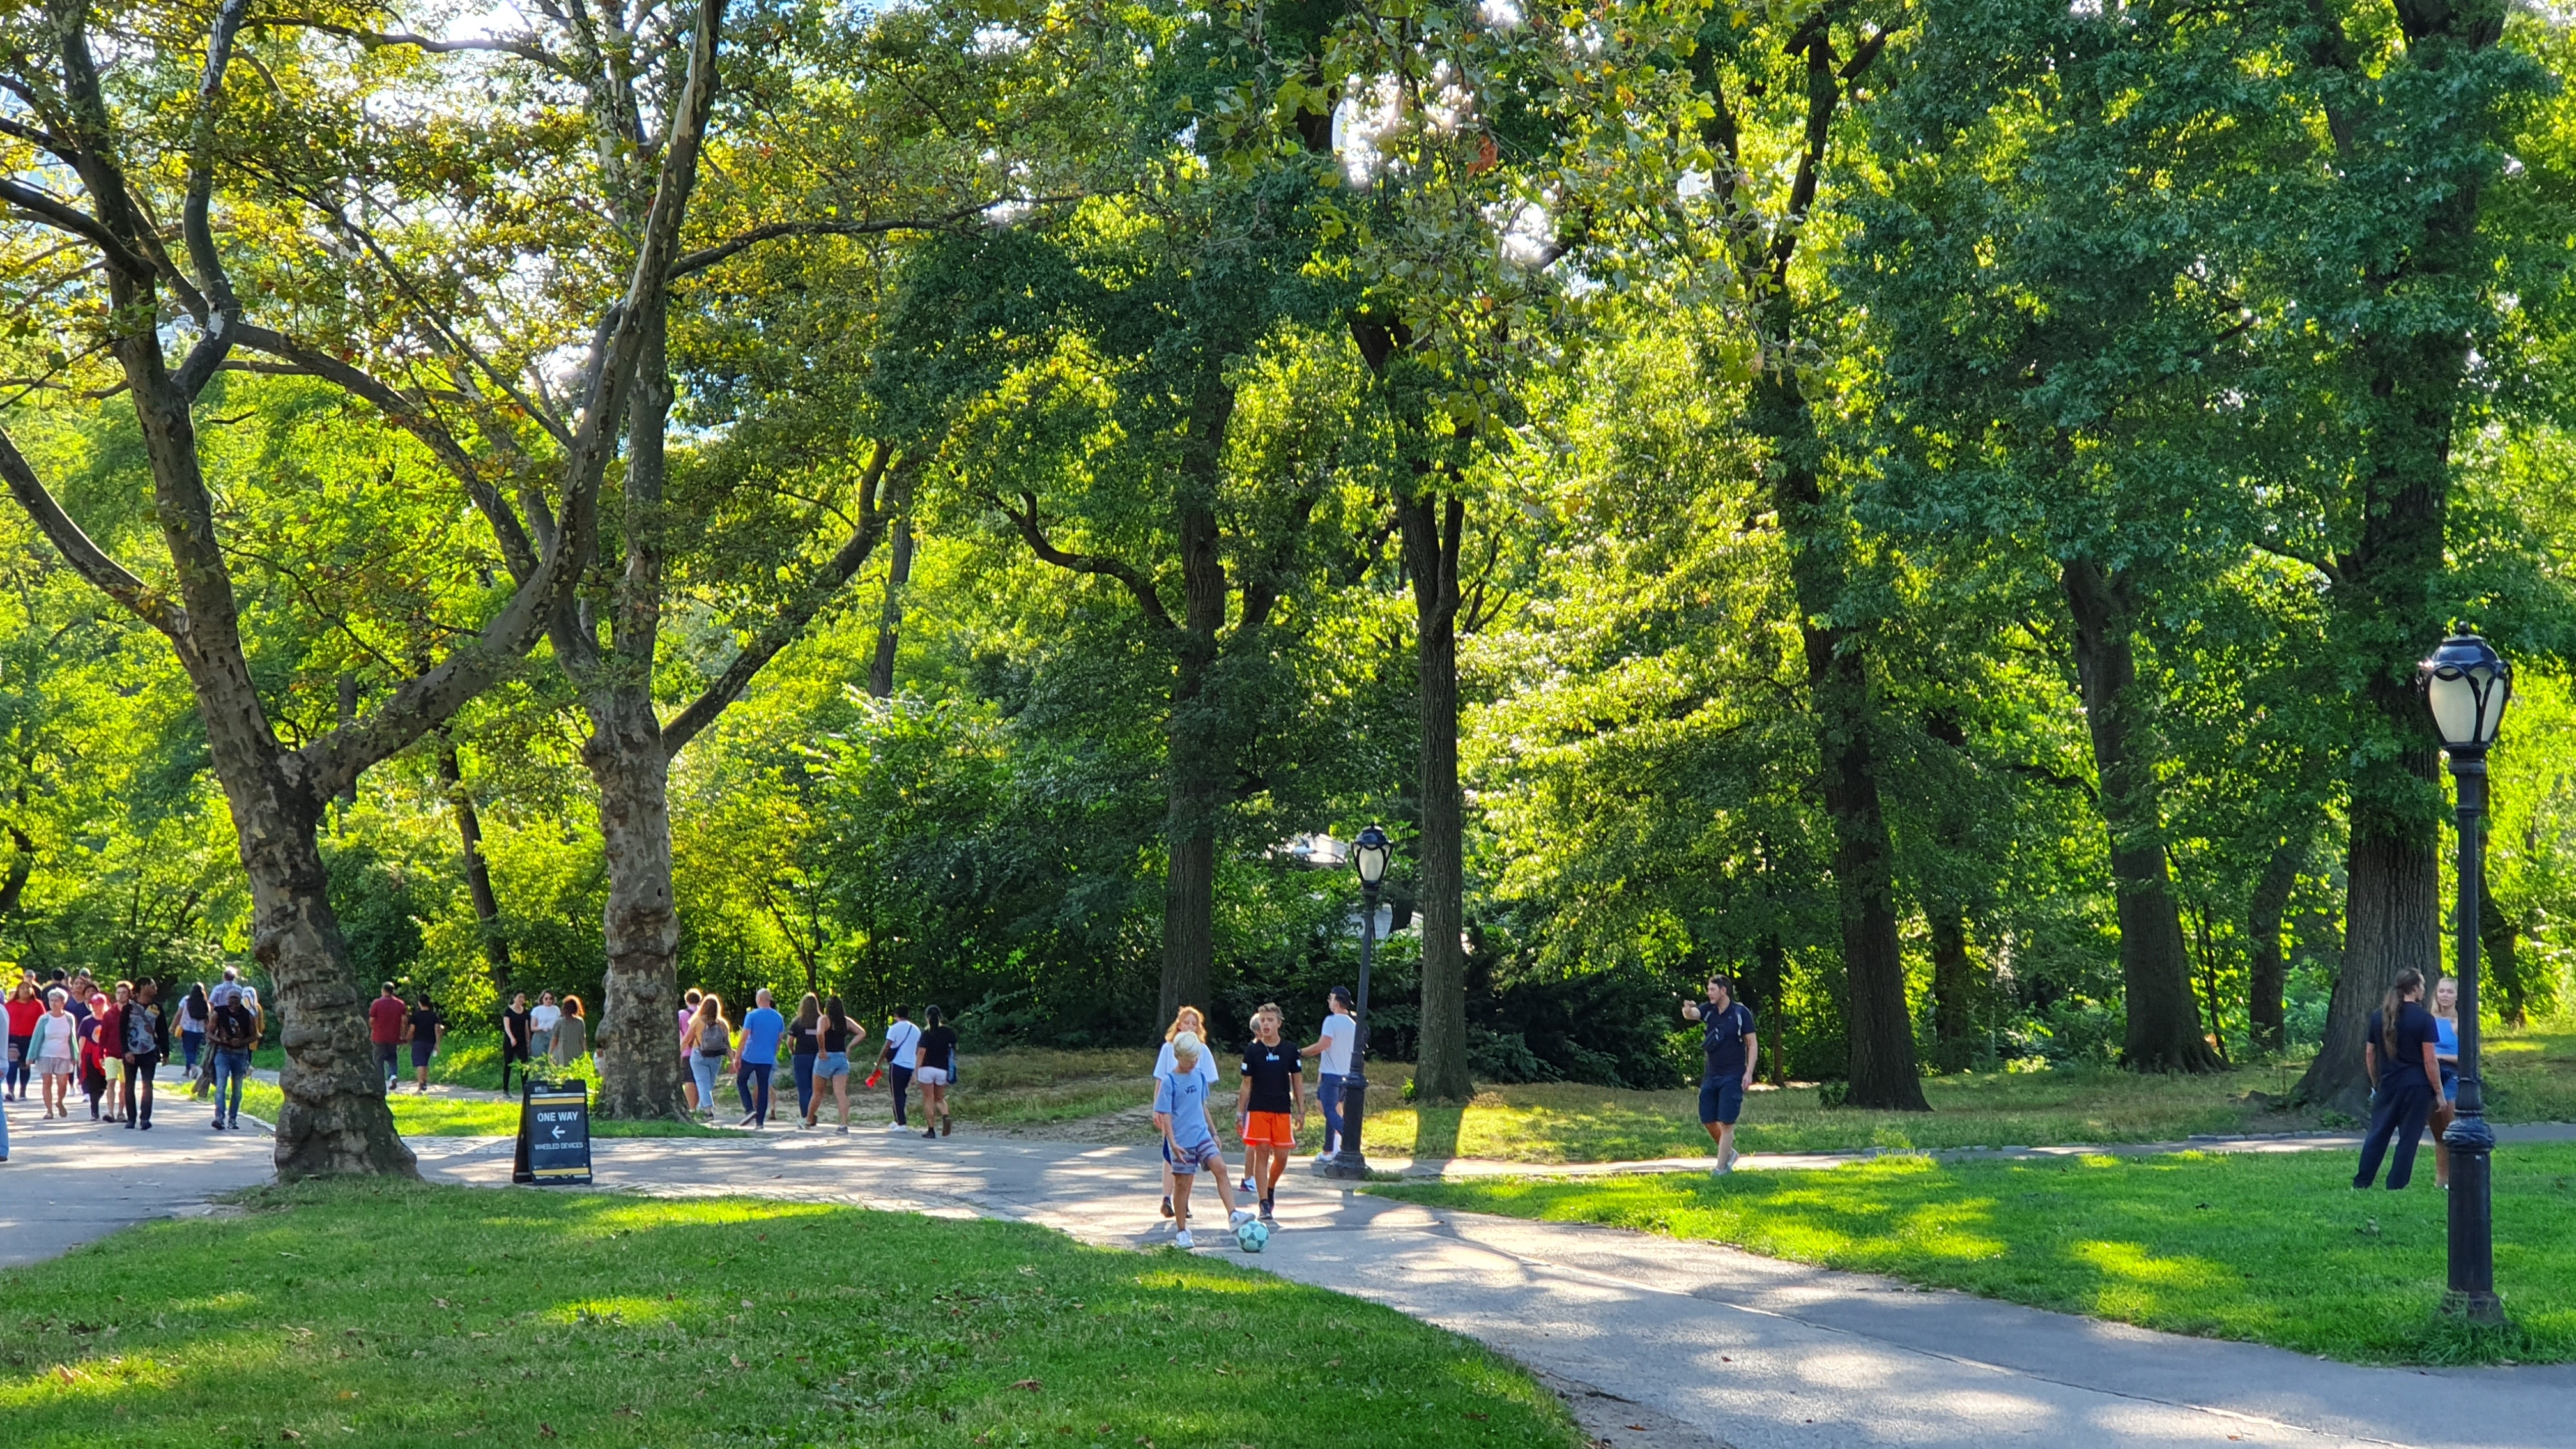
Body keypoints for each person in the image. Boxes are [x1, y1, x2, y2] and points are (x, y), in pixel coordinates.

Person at [1153, 1031, 1252, 1250]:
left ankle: (1233, 1214)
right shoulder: (1170, 1082)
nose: (1194, 1063)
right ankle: (1182, 1231)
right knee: (1183, 1184)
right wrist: (1172, 1142)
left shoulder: (1198, 1076)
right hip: (1182, 1142)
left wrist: (1214, 1132)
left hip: (1201, 1135)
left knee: (1221, 1168)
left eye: (1196, 1058)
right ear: (1179, 1057)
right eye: (1190, 1059)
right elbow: (1166, 1115)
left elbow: (1202, 1106)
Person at [2356, 967, 2442, 1190]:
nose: (2424, 990)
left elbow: (2370, 1053)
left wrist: (2376, 1081)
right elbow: (2430, 1060)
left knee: (2378, 1134)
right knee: (2409, 1137)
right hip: (2416, 1086)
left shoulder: (2379, 1017)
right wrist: (2439, 1092)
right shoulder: (2424, 1019)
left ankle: (2363, 1181)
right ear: (2414, 989)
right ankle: (2396, 1184)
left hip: (2388, 1083)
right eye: (2422, 985)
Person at [1682, 974, 1758, 1174]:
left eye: (1712, 990)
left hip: (1733, 1075)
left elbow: (1752, 1044)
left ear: (1724, 991)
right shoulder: (1709, 1010)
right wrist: (1687, 1009)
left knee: (1727, 1123)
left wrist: (1748, 1072)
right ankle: (1730, 1154)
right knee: (1708, 1119)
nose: (1709, 993)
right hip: (1712, 1075)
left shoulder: (1741, 1013)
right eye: (1708, 990)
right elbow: (1692, 1014)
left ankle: (1720, 1169)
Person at [1237, 1004, 1304, 1222]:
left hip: (1282, 1109)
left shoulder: (1290, 1050)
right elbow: (1246, 1084)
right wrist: (1240, 1113)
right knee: (1262, 1153)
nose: (1265, 1024)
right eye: (1263, 1020)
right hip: (1258, 1109)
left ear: (1279, 1024)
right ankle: (1264, 1202)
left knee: (1282, 1156)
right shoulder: (1253, 1050)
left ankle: (1271, 1185)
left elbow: (1298, 1081)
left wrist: (1302, 1110)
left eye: (1270, 1020)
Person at [1153, 1006, 1219, 1218]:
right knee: (1171, 1153)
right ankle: (1166, 1197)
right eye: (1187, 1022)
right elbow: (1161, 1080)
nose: (1190, 1026)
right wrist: (1157, 1108)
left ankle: (1183, 1201)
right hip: (1171, 1112)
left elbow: (1203, 1089)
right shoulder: (1168, 1049)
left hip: (1192, 1114)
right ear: (1179, 1025)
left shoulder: (1202, 1051)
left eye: (1195, 1023)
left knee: (1189, 1158)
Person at [1299, 987, 1357, 1161]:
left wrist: (1300, 1052)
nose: (1328, 1001)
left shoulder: (1331, 1021)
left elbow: (1323, 1045)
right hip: (1344, 1074)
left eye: (1330, 998)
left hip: (1331, 1074)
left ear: (1337, 1002)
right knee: (1329, 1106)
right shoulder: (1353, 1024)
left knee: (1328, 1109)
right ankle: (1330, 1149)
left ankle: (1348, 1140)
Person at [205, 979, 259, 1130]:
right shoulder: (219, 1013)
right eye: (232, 1000)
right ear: (227, 1000)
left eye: (237, 1000)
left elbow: (255, 1035)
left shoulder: (248, 1015)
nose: (234, 1003)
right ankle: (219, 1118)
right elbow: (209, 1033)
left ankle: (233, 1119)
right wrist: (221, 1040)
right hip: (223, 1052)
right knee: (221, 1085)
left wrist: (242, 1042)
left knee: (237, 1088)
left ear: (240, 1000)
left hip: (240, 1054)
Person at [732, 988, 786, 1128]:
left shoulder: (752, 1016)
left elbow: (744, 1038)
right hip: (767, 1058)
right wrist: (774, 1052)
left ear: (759, 1000)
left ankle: (749, 1109)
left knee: (741, 1081)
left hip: (750, 1056)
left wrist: (737, 1057)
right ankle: (760, 1122)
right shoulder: (778, 1017)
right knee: (763, 1088)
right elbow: (780, 1039)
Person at [809, 995, 865, 1132]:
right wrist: (850, 1047)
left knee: (817, 1093)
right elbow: (862, 1033)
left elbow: (819, 1034)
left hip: (826, 1057)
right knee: (841, 1093)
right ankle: (844, 1124)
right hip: (841, 1058)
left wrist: (822, 1050)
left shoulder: (824, 1019)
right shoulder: (846, 1021)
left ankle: (809, 1119)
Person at [121, 978, 168, 1130]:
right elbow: (121, 1031)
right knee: (129, 1086)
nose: (155, 988)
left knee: (147, 1085)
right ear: (142, 987)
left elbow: (162, 1031)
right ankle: (131, 1118)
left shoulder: (157, 1008)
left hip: (149, 1051)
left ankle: (145, 1118)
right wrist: (126, 1051)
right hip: (132, 1052)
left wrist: (165, 1052)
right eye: (152, 985)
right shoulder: (128, 1008)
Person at [2429, 976, 2461, 1189]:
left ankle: (2459, 1176)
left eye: (2450, 992)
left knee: (2452, 1130)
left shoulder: (2461, 1023)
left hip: (2451, 1076)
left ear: (2457, 995)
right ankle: (2441, 1180)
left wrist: (2440, 1057)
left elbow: (2467, 1057)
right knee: (2438, 1133)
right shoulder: (2429, 1021)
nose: (2445, 996)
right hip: (2431, 1077)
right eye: (2442, 991)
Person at [873, 1005, 921, 1131]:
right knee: (902, 1094)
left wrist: (877, 1064)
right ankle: (897, 1119)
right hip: (911, 1065)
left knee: (896, 1094)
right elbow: (918, 1050)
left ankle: (901, 1123)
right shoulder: (916, 1030)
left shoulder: (894, 1029)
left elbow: (886, 1047)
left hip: (898, 1065)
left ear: (896, 1015)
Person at [683, 994, 731, 1120]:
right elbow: (727, 1044)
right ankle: (701, 1109)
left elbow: (687, 1039)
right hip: (716, 1057)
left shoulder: (698, 1021)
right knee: (708, 1084)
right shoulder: (722, 1023)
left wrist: (679, 1054)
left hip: (699, 1055)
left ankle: (708, 1111)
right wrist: (733, 1060)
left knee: (702, 1082)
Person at [914, 1005, 957, 1138]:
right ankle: (945, 1116)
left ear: (927, 1018)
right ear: (941, 1016)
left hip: (926, 1069)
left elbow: (921, 1053)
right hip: (943, 1069)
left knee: (928, 1099)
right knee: (939, 1098)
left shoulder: (926, 1034)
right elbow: (955, 1048)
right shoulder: (949, 1032)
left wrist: (915, 1072)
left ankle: (931, 1130)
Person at [33, 988, 77, 1119]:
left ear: (63, 1002)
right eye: (51, 1000)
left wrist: (75, 1055)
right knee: (47, 1083)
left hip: (64, 1055)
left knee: (62, 1082)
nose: (54, 1003)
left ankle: (60, 1102)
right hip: (45, 1054)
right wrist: (31, 1056)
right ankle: (49, 1111)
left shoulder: (69, 1018)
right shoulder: (44, 1019)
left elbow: (72, 1038)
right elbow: (37, 1038)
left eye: (57, 1001)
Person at [788, 992, 822, 1128]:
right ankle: (812, 1115)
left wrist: (793, 1052)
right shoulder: (822, 1020)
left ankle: (805, 1116)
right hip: (818, 1057)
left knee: (804, 1089)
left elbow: (790, 1041)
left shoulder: (798, 1022)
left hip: (801, 1056)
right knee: (816, 1089)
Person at [6, 978, 43, 1102]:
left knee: (25, 1065)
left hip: (30, 1039)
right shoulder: (10, 1005)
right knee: (12, 1063)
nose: (26, 990)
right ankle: (10, 1091)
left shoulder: (38, 1005)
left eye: (28, 987)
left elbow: (43, 1022)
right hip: (13, 1038)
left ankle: (23, 1091)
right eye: (22, 988)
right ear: (18, 990)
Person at [368, 982, 406, 1089]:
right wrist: (403, 1035)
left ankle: (380, 1083)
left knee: (378, 1060)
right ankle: (393, 1075)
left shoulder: (377, 1003)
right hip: (393, 1036)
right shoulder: (400, 1004)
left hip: (378, 1036)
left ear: (383, 990)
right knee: (392, 1058)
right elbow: (404, 1021)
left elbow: (371, 1020)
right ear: (393, 991)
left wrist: (373, 1028)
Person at [408, 994, 446, 1092]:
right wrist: (437, 1044)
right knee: (425, 1063)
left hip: (419, 1042)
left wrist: (406, 1038)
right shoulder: (434, 1015)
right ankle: (424, 1083)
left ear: (419, 1003)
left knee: (420, 1064)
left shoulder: (416, 1015)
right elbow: (437, 1030)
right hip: (430, 1042)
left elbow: (412, 1030)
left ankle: (421, 1086)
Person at [175, 983, 209, 1085]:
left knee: (188, 1051)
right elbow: (208, 1018)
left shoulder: (186, 1000)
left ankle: (193, 1068)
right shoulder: (205, 1003)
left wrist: (173, 1026)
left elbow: (179, 1014)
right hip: (199, 1031)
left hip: (187, 1029)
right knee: (193, 1050)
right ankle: (187, 1071)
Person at [678, 988, 704, 1112]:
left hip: (687, 1052)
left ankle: (691, 1108)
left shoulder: (682, 1014)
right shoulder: (704, 1014)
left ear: (687, 1000)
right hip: (703, 1051)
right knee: (699, 1080)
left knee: (688, 1080)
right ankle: (698, 1107)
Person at [500, 992, 532, 1093]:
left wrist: (528, 1041)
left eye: (523, 997)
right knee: (508, 1064)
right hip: (510, 1041)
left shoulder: (526, 1012)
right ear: (514, 998)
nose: (522, 999)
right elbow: (507, 1026)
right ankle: (505, 1089)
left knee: (524, 1064)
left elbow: (527, 1028)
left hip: (522, 1042)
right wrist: (512, 1038)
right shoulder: (508, 1011)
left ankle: (525, 1089)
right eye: (520, 997)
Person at [549, 994, 588, 1068]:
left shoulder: (560, 1022)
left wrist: (550, 1055)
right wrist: (586, 1054)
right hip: (577, 1056)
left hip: (563, 1056)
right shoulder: (580, 1022)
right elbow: (583, 1041)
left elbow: (554, 1041)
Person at [529, 990, 562, 1061]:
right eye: (546, 998)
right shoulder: (536, 1010)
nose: (548, 1000)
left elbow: (559, 1023)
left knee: (552, 1059)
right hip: (540, 1036)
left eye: (550, 999)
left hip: (553, 1035)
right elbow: (533, 1027)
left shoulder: (556, 1009)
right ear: (542, 999)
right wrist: (542, 1028)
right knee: (539, 1060)